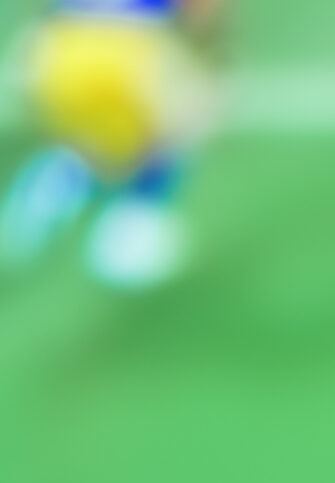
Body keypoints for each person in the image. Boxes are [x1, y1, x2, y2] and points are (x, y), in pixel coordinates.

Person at [2, 0, 220, 290]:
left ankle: (59, 181)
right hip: (128, 47)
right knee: (187, 120)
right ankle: (132, 230)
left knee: (98, 140)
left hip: (54, 46)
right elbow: (199, 13)